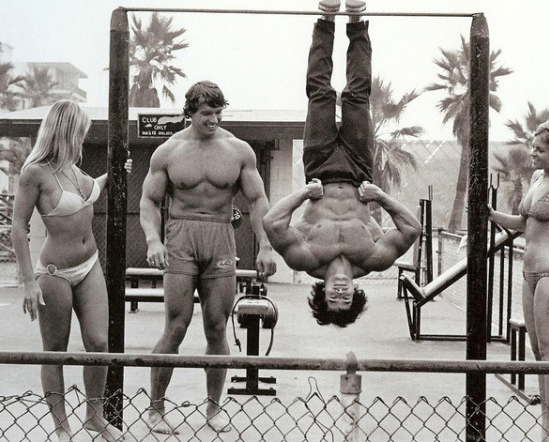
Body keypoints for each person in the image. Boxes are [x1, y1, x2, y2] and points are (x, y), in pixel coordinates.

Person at [263, 0, 421, 327]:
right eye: (344, 298)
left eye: (332, 299)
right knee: (356, 96)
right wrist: (380, 197)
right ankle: (357, 21)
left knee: (320, 94)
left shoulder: (304, 258)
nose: (338, 293)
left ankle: (325, 20)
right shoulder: (374, 259)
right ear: (354, 292)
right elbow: (412, 229)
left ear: (321, 294)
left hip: (319, 168)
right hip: (359, 170)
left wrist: (304, 195)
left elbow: (272, 223)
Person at [140, 80, 277, 434]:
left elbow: (258, 201)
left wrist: (265, 244)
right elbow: (150, 201)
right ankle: (155, 409)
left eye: (218, 112)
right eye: (205, 114)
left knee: (217, 327)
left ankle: (214, 409)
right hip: (181, 236)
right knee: (176, 325)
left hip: (221, 236)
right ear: (190, 113)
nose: (213, 119)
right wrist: (153, 240)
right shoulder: (169, 151)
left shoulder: (239, 150)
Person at [11, 100, 131, 442]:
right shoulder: (35, 171)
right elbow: (18, 227)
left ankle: (94, 415)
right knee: (56, 350)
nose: (83, 136)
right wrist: (28, 283)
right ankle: (61, 427)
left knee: (98, 342)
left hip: (89, 264)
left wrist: (117, 172)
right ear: (65, 129)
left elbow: (93, 189)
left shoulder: (75, 171)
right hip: (54, 272)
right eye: (80, 129)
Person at [488, 114, 549, 441]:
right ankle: (546, 420)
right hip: (528, 274)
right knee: (539, 353)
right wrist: (492, 214)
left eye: (539, 150)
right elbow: (524, 223)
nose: (533, 153)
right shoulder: (539, 178)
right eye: (533, 147)